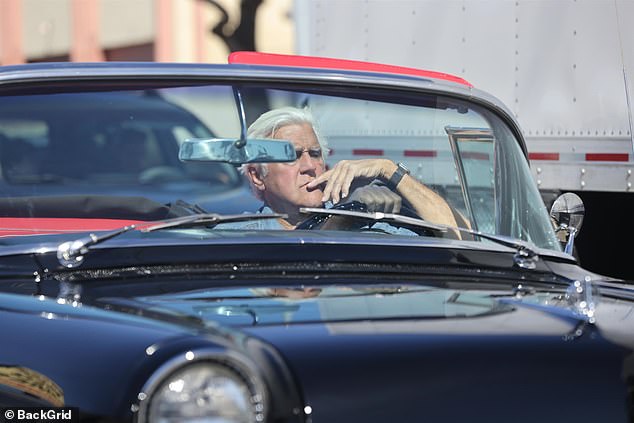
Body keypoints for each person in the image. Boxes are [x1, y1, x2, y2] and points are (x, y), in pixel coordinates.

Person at [237, 106, 460, 233]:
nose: (310, 167)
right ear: (257, 176)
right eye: (291, 157)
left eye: (315, 154)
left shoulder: (365, 213)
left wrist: (388, 169)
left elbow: (458, 237)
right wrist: (341, 219)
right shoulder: (238, 237)